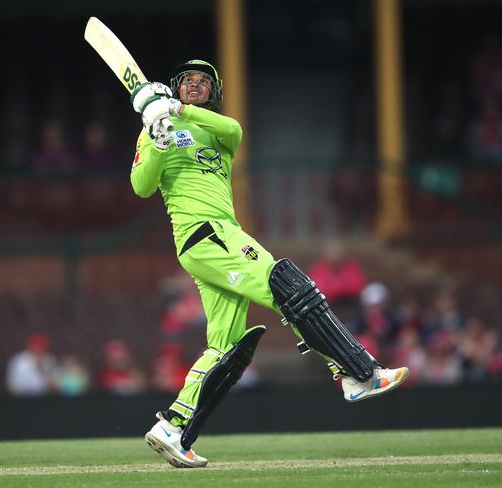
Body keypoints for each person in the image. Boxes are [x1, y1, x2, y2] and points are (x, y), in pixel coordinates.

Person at [129, 60, 409, 468]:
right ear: (175, 85)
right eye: (187, 81)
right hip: (206, 233)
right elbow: (141, 187)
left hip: (215, 237)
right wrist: (156, 136)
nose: (194, 86)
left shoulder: (216, 128)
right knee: (287, 284)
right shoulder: (152, 131)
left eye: (203, 83)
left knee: (224, 346)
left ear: (213, 93)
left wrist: (173, 110)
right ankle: (358, 372)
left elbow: (234, 131)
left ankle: (173, 427)